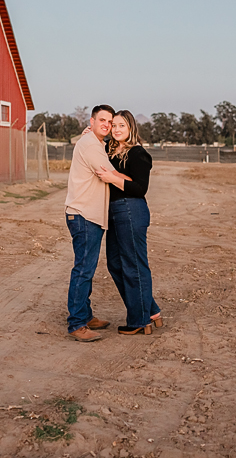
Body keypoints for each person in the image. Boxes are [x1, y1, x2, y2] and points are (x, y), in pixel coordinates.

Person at [96, 110, 161, 335]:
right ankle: (150, 309)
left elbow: (140, 188)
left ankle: (139, 320)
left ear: (131, 127)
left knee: (134, 265)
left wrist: (113, 178)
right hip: (113, 211)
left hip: (131, 210)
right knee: (114, 264)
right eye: (114, 125)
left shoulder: (137, 153)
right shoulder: (110, 150)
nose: (116, 129)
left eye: (121, 125)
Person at [65, 105, 120, 342]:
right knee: (84, 270)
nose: (107, 125)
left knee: (87, 268)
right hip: (84, 215)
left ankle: (85, 316)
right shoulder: (90, 145)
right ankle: (77, 324)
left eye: (110, 121)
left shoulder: (94, 143)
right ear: (92, 121)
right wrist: (138, 179)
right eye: (103, 120)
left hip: (88, 215)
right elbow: (112, 174)